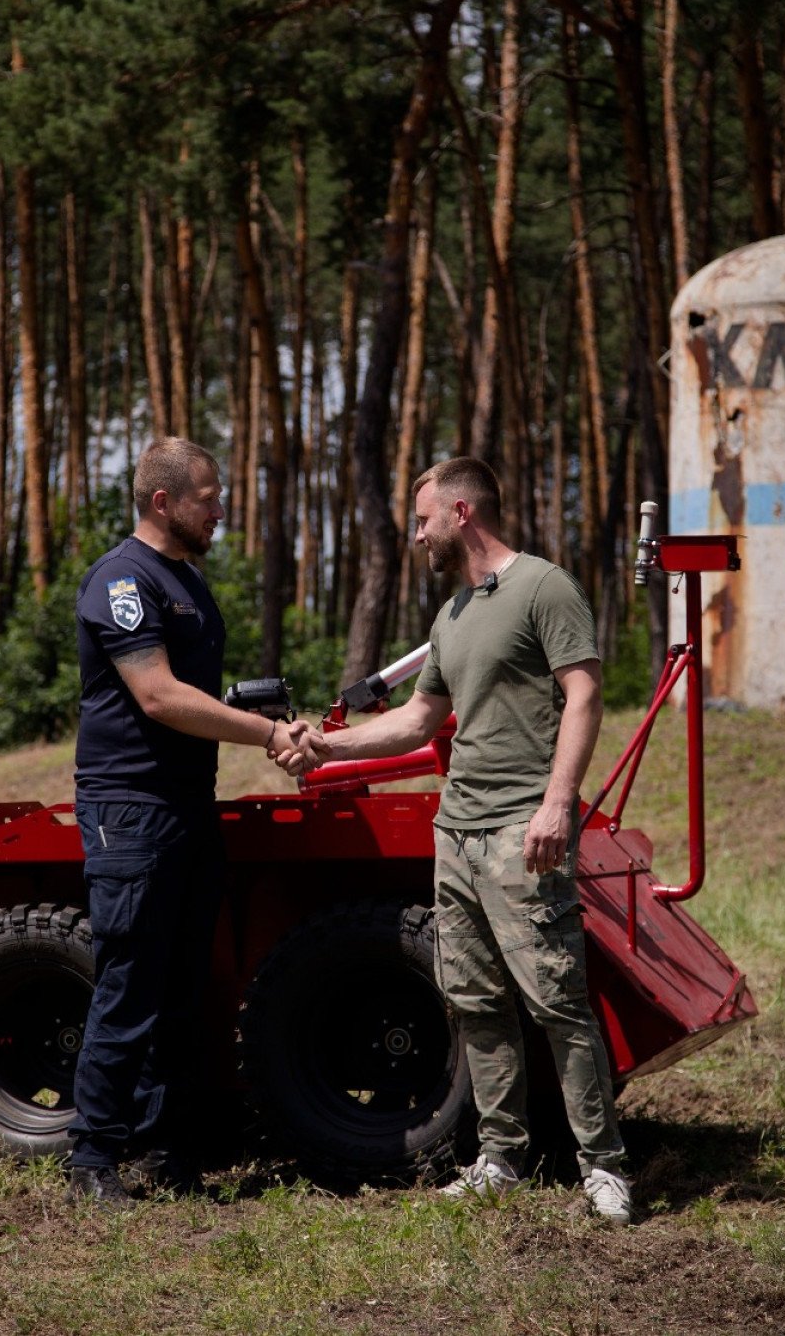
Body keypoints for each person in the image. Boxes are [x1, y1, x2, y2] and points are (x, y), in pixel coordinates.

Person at [277, 456, 632, 1224]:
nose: (418, 534)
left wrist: (557, 804)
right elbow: (415, 720)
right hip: (458, 833)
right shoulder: (453, 614)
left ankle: (603, 1167)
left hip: (520, 828)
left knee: (557, 1002)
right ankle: (500, 1157)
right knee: (474, 1001)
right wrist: (324, 746)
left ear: (463, 512)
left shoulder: (545, 587)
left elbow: (586, 694)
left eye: (425, 517)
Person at [68, 436, 319, 1209]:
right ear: (162, 503)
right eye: (209, 496)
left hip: (185, 809)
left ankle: (162, 1152)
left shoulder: (188, 583)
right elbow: (159, 697)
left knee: (180, 988)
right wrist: (269, 735)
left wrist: (272, 715)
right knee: (130, 985)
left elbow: (201, 699)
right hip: (130, 811)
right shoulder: (122, 580)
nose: (221, 509)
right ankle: (91, 1161)